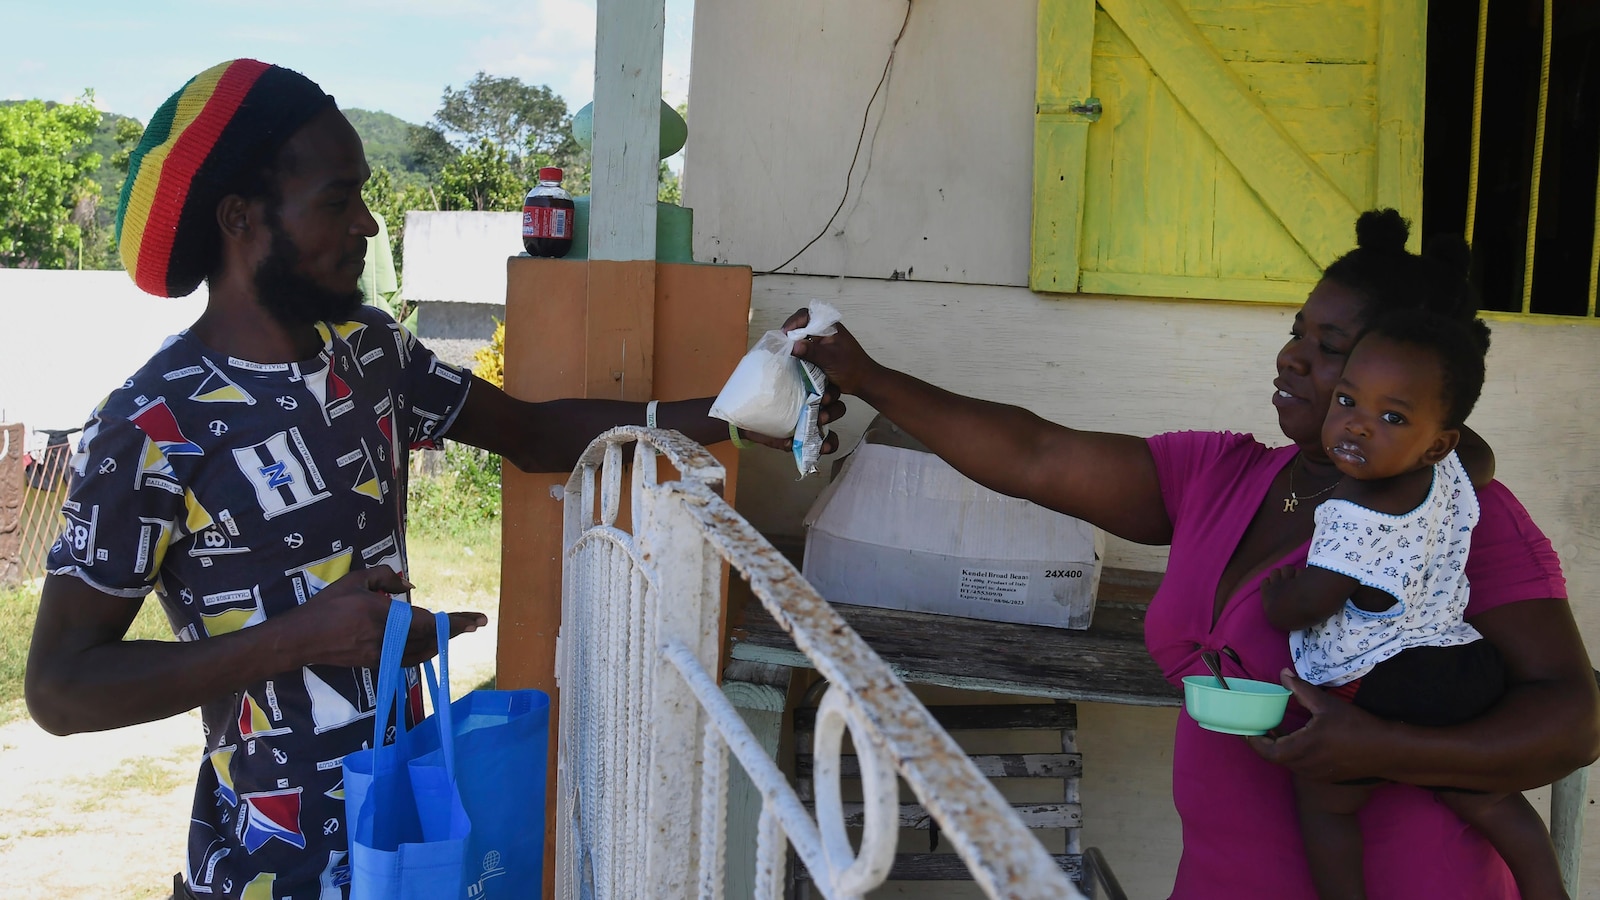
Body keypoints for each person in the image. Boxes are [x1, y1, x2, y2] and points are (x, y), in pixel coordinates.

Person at [22, 60, 840, 900]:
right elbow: (58, 688)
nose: (368, 225)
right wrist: (305, 637)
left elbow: (532, 433)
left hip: (402, 839)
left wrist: (745, 406)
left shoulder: (372, 355)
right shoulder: (151, 424)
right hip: (264, 867)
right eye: (337, 203)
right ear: (240, 218)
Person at [787, 209, 1599, 898]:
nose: (1291, 358)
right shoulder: (1225, 473)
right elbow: (1033, 454)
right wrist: (864, 375)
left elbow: (1573, 720)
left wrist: (1385, 750)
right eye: (1297, 332)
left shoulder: (1453, 517)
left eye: (1329, 348)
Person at [1258, 310, 1566, 899]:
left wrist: (1279, 601)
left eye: (1392, 417)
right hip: (1459, 664)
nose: (1359, 427)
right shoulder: (1451, 468)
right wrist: (1417, 429)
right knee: (1490, 797)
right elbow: (1483, 458)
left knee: (1324, 803)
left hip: (1383, 677)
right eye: (1347, 401)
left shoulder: (1356, 507)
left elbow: (1314, 600)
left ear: (1435, 442)